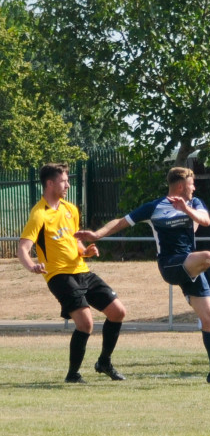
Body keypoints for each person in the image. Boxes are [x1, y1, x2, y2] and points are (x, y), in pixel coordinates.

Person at [77, 167, 210, 383]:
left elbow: (205, 221)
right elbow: (122, 221)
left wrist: (186, 209)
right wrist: (97, 234)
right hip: (170, 265)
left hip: (190, 265)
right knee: (207, 256)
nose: (194, 187)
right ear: (180, 185)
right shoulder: (155, 207)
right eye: (191, 183)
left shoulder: (194, 203)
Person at [17, 163, 127, 383]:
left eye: (68, 180)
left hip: (82, 271)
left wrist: (85, 251)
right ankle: (73, 374)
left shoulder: (71, 209)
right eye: (63, 180)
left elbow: (73, 239)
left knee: (118, 312)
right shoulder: (39, 214)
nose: (67, 184)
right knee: (85, 323)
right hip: (59, 276)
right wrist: (32, 266)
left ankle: (104, 362)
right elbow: (22, 247)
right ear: (50, 183)